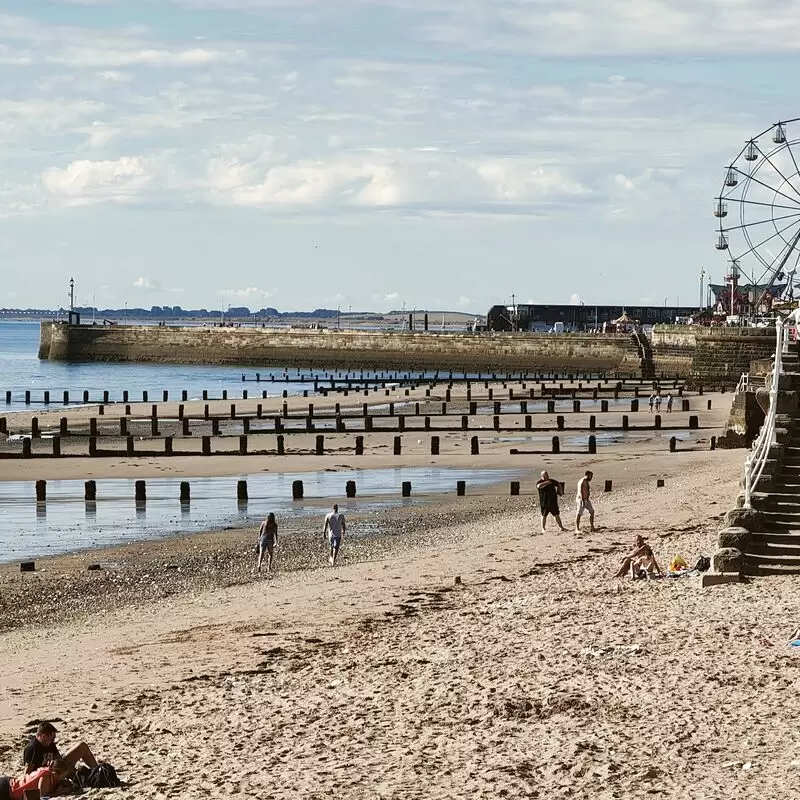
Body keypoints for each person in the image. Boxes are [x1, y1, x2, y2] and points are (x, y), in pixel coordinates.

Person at [22, 722, 97, 774]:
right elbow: (27, 773)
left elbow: (59, 758)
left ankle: (97, 771)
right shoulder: (32, 748)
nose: (53, 740)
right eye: (52, 738)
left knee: (82, 746)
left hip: (58, 770)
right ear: (44, 736)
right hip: (47, 775)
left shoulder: (50, 744)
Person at [1, 758, 70, 800]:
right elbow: (42, 796)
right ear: (55, 773)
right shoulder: (46, 776)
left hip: (10, 785)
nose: (62, 778)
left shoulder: (49, 773)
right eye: (62, 776)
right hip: (7, 790)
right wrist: (61, 792)